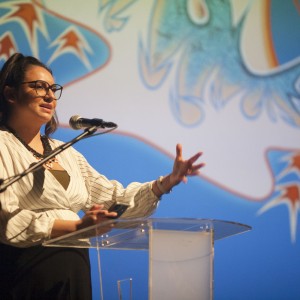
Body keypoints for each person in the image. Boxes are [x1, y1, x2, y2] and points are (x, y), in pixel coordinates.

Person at [0, 53, 204, 300]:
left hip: (74, 269)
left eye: (53, 88)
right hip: (24, 272)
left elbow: (114, 199)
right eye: (38, 86)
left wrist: (165, 183)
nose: (49, 95)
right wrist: (75, 226)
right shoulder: (2, 145)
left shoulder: (65, 153)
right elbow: (6, 220)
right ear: (10, 94)